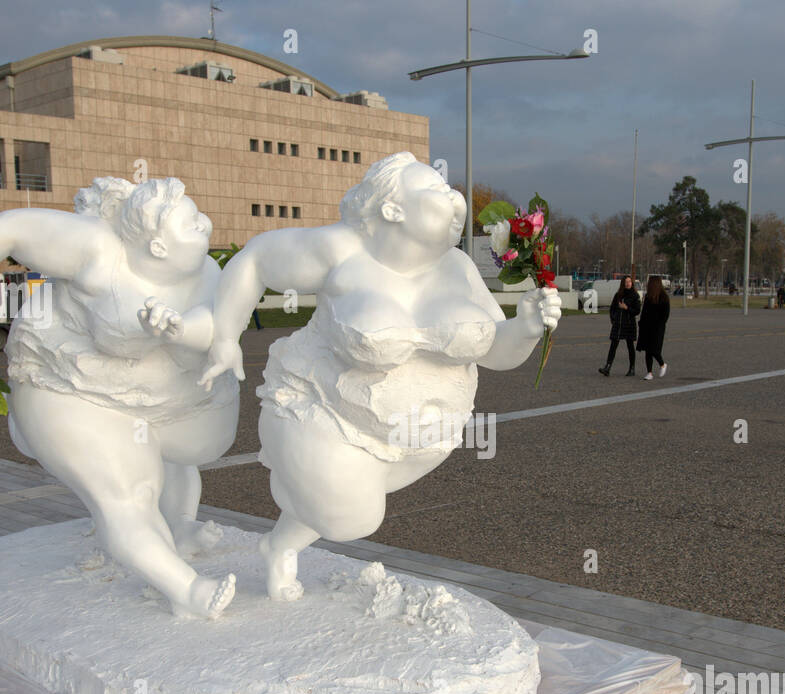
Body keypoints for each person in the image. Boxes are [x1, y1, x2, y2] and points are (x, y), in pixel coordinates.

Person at [142, 152, 559, 601]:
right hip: (321, 408)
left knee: (346, 498)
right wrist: (225, 336)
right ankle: (301, 484)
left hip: (422, 436)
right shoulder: (339, 249)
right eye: (436, 190)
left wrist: (526, 328)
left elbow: (497, 351)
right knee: (352, 519)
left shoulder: (457, 268)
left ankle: (280, 542)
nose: (454, 196)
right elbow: (257, 259)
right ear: (392, 208)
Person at [0, 176, 241, 619]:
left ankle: (175, 531)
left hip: (156, 392)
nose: (207, 224)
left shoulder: (209, 274)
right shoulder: (97, 249)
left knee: (177, 464)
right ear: (157, 246)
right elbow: (7, 230)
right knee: (127, 492)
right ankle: (186, 591)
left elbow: (215, 329)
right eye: (192, 221)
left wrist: (177, 328)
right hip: (64, 383)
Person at [600, 274, 639, 376]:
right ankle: (607, 367)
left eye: (629, 282)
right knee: (613, 345)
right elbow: (612, 308)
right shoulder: (618, 295)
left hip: (629, 324)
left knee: (630, 346)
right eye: (626, 282)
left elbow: (637, 311)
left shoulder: (635, 295)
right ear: (623, 283)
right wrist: (613, 319)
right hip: (618, 324)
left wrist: (627, 308)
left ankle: (632, 368)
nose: (628, 284)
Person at [637, 275, 670, 380]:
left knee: (654, 350)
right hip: (646, 327)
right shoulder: (648, 297)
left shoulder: (664, 297)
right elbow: (644, 312)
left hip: (657, 328)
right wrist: (641, 323)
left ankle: (662, 364)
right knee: (647, 350)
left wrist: (659, 325)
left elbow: (665, 315)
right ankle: (649, 372)